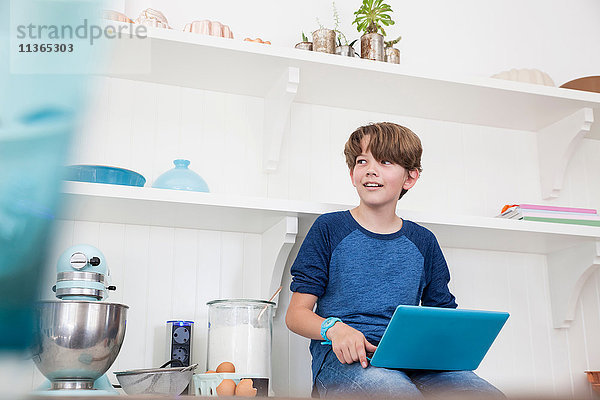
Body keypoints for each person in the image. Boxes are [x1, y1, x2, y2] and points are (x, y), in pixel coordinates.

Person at [285, 122, 504, 398]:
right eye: (362, 161)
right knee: (396, 392)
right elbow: (295, 315)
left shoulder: (423, 241)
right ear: (352, 173)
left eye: (385, 161)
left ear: (410, 178)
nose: (370, 169)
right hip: (346, 361)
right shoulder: (329, 229)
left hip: (416, 361)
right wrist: (334, 329)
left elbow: (443, 317)